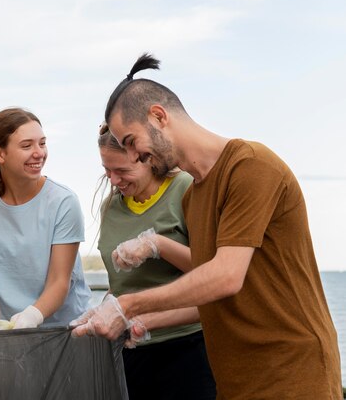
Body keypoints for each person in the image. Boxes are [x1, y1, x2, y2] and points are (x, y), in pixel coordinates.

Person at [72, 54, 342, 399]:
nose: (135, 156)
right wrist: (135, 321)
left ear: (158, 116)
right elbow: (210, 299)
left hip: (291, 374)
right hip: (234, 380)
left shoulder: (251, 166)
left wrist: (127, 305)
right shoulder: (193, 198)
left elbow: (225, 276)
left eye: (130, 141)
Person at [95, 124, 215, 399]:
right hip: (131, 350)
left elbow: (214, 272)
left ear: (148, 158)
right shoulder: (110, 207)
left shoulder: (186, 189)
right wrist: (103, 311)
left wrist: (157, 245)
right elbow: (122, 285)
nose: (114, 181)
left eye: (122, 171)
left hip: (189, 347)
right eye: (107, 170)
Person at [0, 108, 91, 328]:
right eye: (27, 145)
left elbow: (59, 282)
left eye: (42, 143)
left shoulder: (64, 202)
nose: (39, 153)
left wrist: (31, 317)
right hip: (14, 332)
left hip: (69, 330)